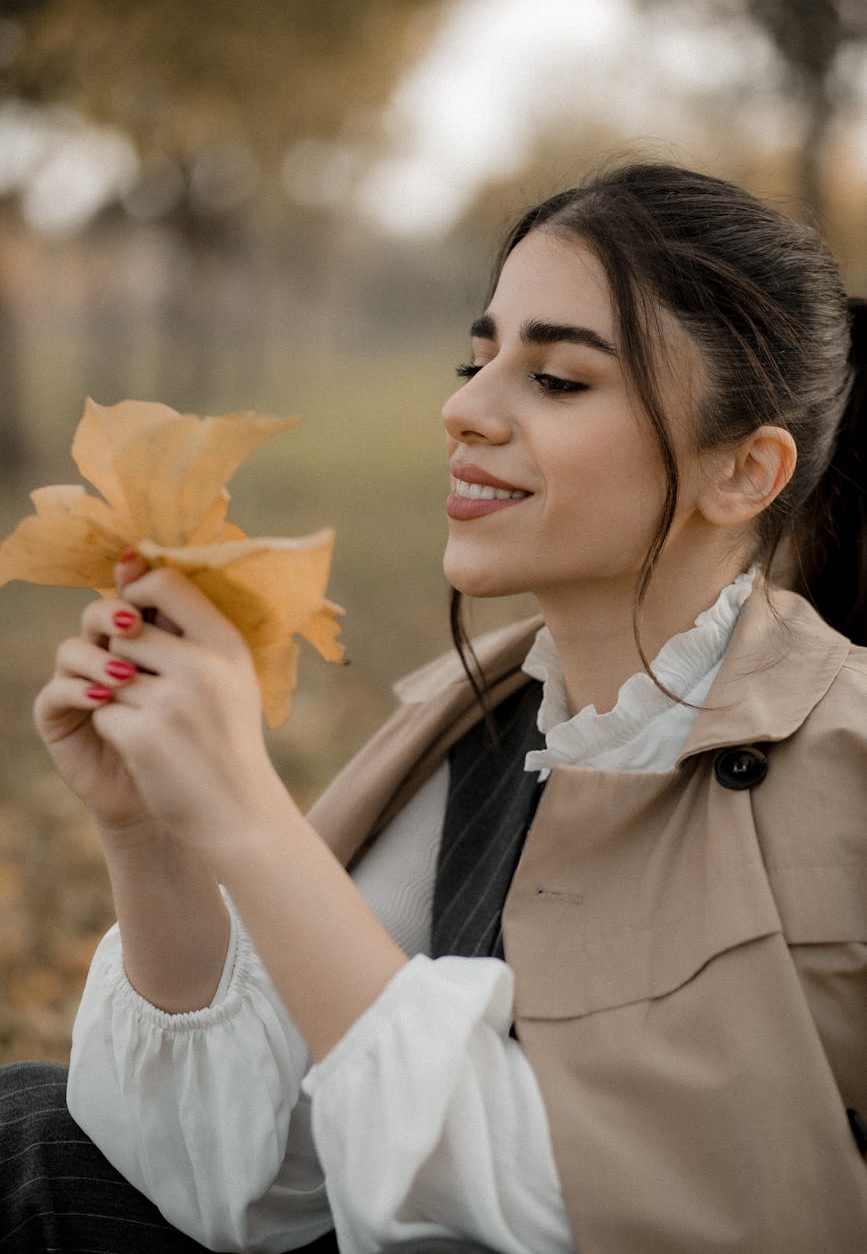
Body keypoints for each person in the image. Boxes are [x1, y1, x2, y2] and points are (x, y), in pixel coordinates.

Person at [2, 160, 866, 1254]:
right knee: (27, 1132)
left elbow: (567, 1207)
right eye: (477, 357)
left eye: (556, 379)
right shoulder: (477, 724)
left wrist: (244, 810)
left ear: (745, 471)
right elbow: (240, 1181)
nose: (464, 407)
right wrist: (155, 827)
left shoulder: (843, 770)